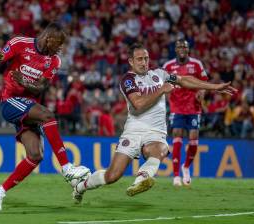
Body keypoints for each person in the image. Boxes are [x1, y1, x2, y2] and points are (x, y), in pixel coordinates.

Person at [72, 43, 236, 203]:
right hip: (133, 131)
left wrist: (214, 87)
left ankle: (141, 180)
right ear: (131, 61)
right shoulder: (128, 80)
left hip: (156, 133)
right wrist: (161, 90)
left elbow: (184, 80)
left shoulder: (159, 74)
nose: (144, 63)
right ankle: (81, 186)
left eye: (146, 58)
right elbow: (139, 104)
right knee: (112, 176)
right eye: (139, 59)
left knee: (161, 149)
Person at [0, 22, 90, 211]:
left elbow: (41, 87)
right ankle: (67, 168)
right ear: (49, 38)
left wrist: (24, 82)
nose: (60, 48)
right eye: (59, 43)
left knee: (35, 155)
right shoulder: (19, 43)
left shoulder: (54, 61)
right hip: (10, 101)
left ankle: (0, 190)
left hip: (29, 107)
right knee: (47, 114)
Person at [163, 39, 208, 186]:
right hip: (176, 107)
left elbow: (204, 81)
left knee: (194, 138)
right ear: (175, 49)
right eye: (179, 46)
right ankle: (176, 175)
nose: (182, 48)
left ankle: (186, 167)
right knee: (177, 134)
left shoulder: (196, 64)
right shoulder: (168, 66)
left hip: (193, 107)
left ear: (188, 49)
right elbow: (163, 84)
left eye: (184, 46)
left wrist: (201, 91)